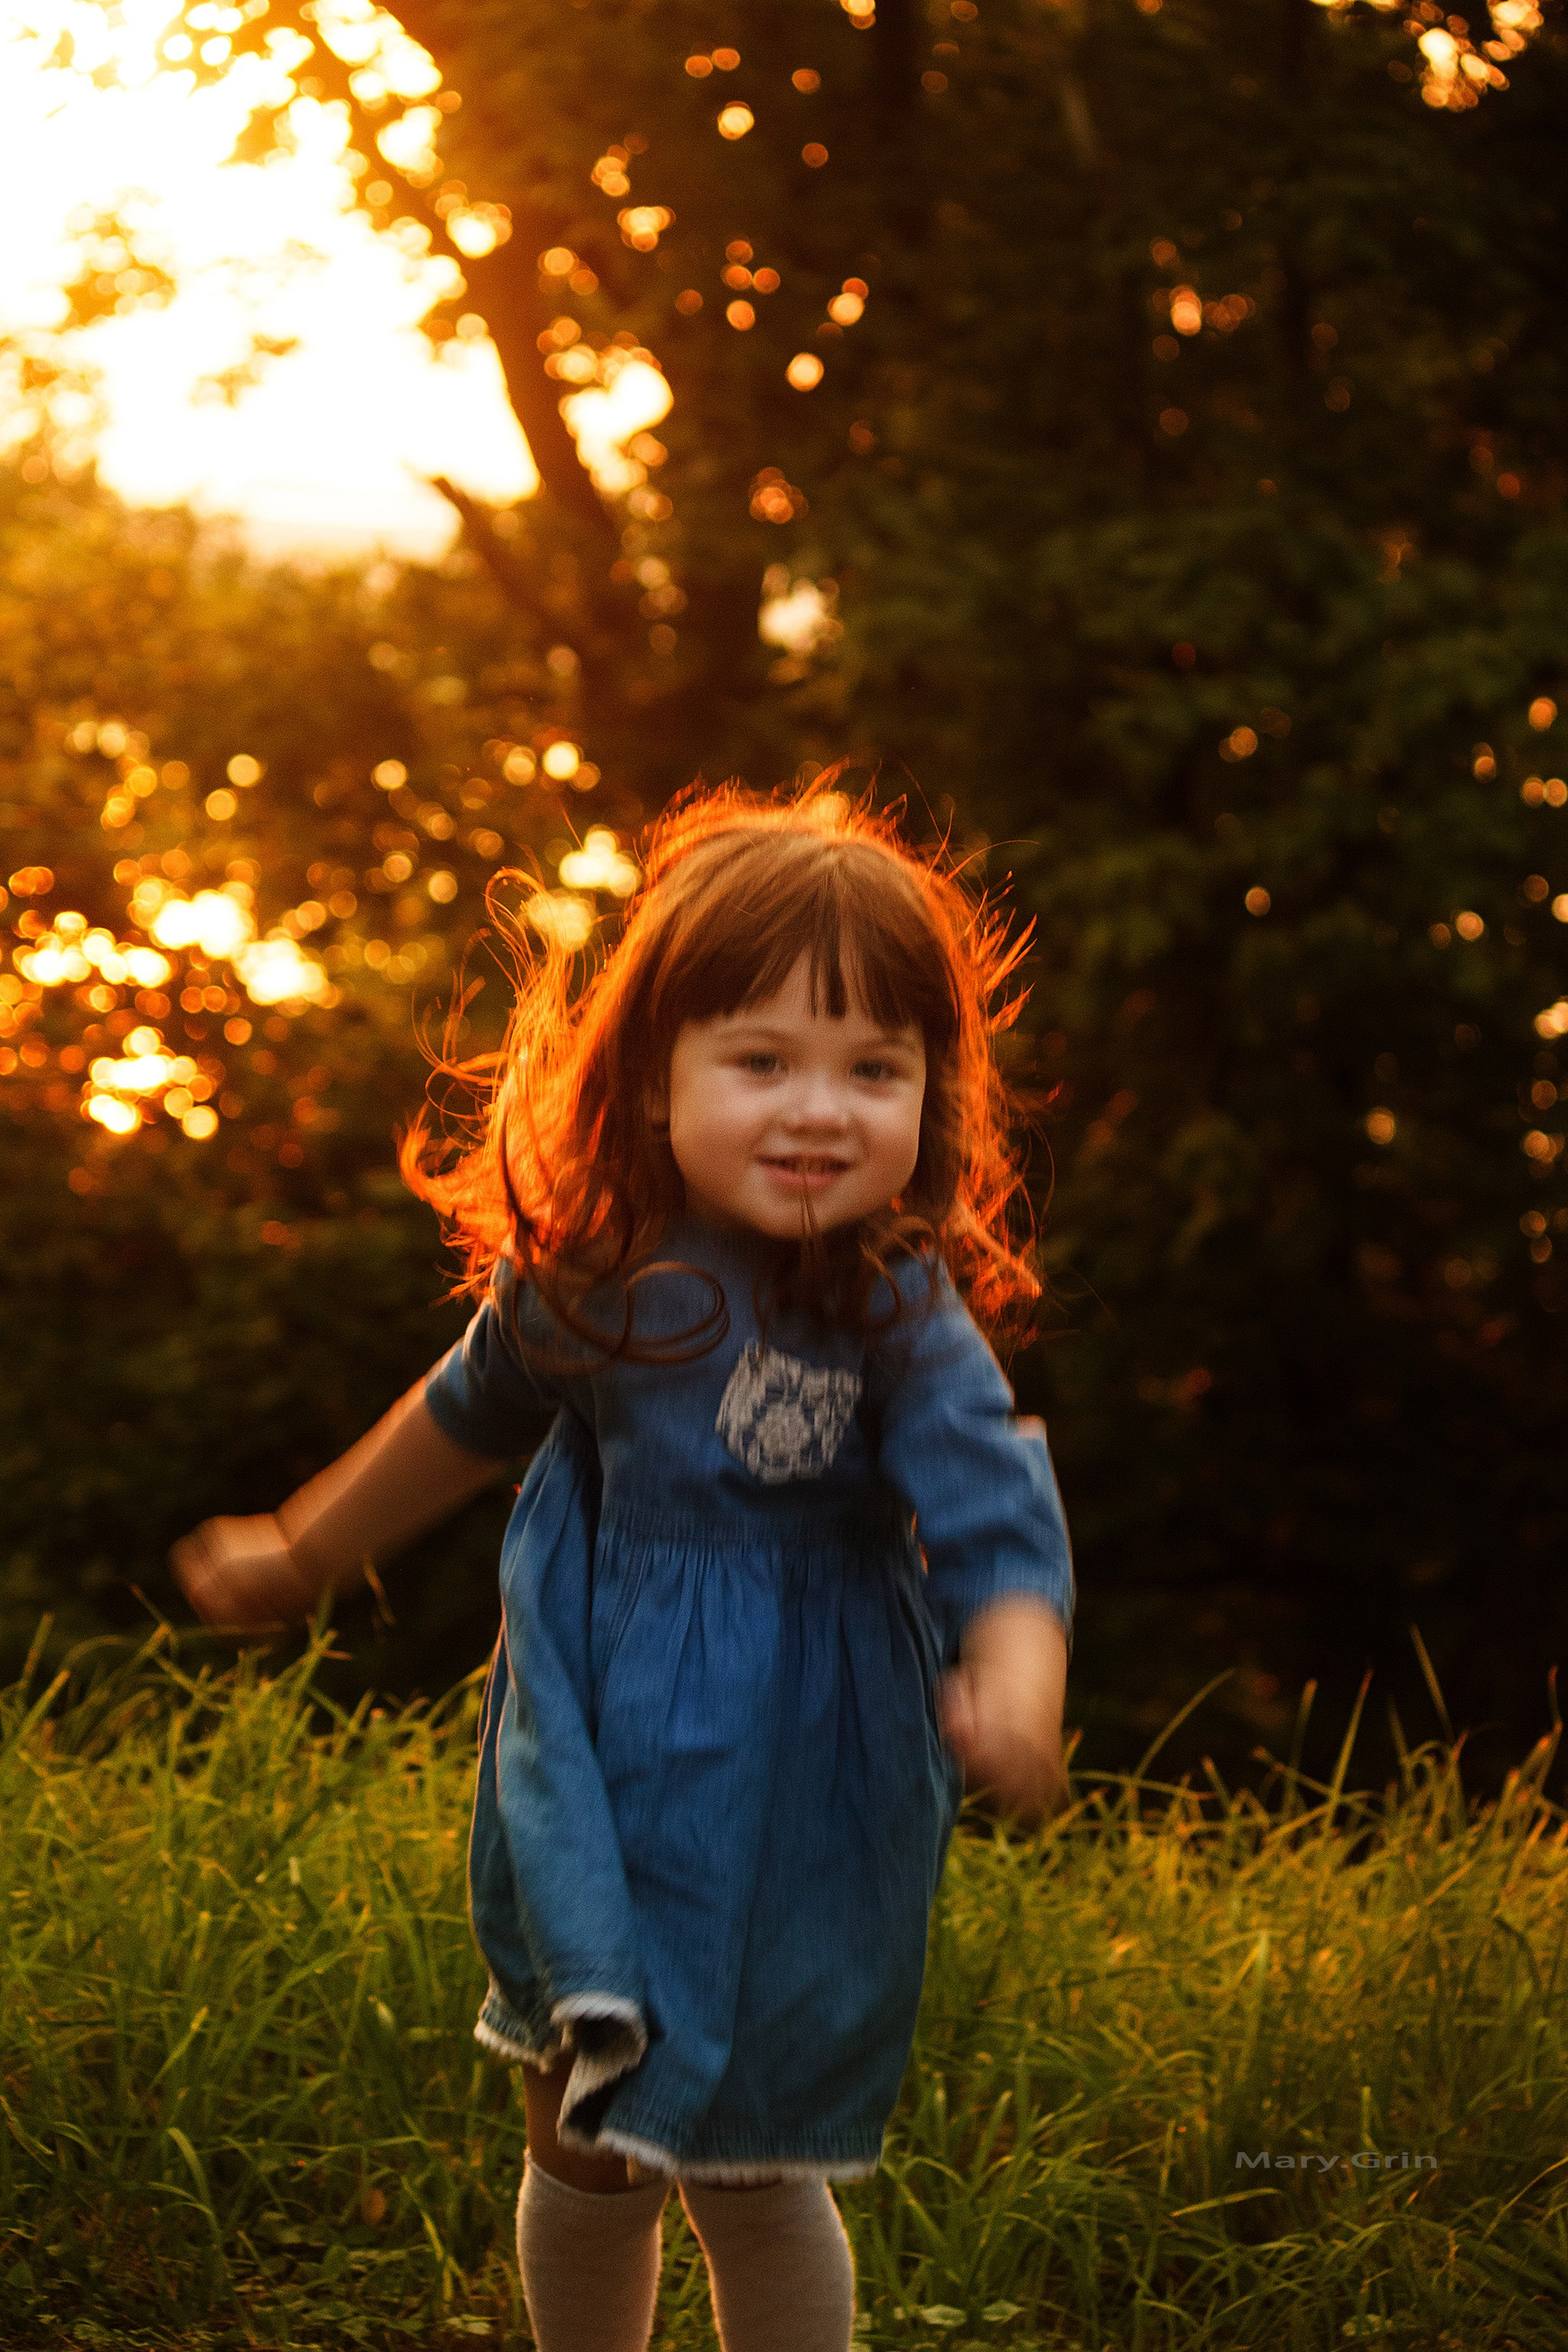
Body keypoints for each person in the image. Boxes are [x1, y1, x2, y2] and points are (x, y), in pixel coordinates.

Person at [172, 785, 1073, 2352]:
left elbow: (997, 1512)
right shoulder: (591, 1273)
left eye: (876, 1069)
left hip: (805, 1773)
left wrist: (1016, 1674)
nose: (820, 1109)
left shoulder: (895, 1311)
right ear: (653, 1081)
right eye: (762, 1059)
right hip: (598, 1752)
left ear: (933, 1093)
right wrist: (303, 1549)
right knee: (580, 2125)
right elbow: (455, 1424)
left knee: (748, 2150)